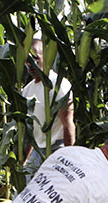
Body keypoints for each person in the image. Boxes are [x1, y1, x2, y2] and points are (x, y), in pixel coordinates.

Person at [22, 38, 76, 181]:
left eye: (35, 58)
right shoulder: (26, 91)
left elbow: (68, 124)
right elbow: (30, 131)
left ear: (46, 57)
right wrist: (23, 162)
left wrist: (68, 160)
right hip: (37, 151)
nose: (31, 64)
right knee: (22, 191)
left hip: (57, 149)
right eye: (28, 60)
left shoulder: (60, 85)